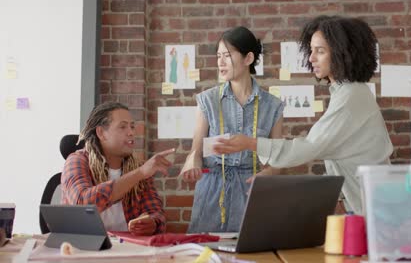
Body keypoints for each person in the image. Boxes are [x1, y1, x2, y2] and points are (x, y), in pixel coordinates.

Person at [214, 16, 393, 215]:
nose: (311, 58)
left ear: (342, 53)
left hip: (376, 212)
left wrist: (250, 143)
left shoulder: (350, 97)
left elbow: (310, 147)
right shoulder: (347, 92)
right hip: (368, 207)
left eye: (320, 51)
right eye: (311, 50)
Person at [180, 26, 284, 233]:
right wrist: (192, 163)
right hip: (212, 190)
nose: (220, 62)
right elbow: (196, 151)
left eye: (227, 55)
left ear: (248, 58)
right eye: (218, 56)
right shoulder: (207, 100)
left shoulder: (273, 106)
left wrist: (270, 173)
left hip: (252, 191)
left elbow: (278, 159)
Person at [61, 101, 175, 236]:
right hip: (84, 246)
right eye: (123, 127)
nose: (131, 132)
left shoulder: (138, 167)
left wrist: (152, 223)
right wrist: (140, 173)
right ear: (101, 133)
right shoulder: (77, 161)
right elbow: (82, 204)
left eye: (132, 127)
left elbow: (156, 213)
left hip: (127, 246)